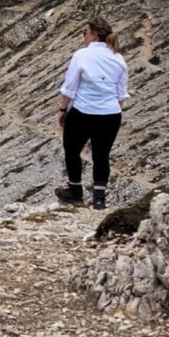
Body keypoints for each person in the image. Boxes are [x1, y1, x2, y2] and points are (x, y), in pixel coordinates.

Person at [54, 16, 128, 210]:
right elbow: (121, 93)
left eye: (84, 33)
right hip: (111, 114)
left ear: (94, 35)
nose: (83, 37)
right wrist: (112, 109)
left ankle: (75, 191)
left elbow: (70, 87)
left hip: (83, 111)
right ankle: (99, 199)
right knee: (101, 155)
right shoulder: (119, 58)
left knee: (72, 149)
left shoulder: (82, 55)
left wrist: (63, 110)